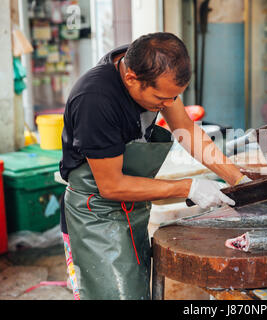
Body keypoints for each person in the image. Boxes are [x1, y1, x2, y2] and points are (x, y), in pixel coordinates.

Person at [59, 32, 250, 300]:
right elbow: (111, 185)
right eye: (162, 99)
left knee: (136, 290)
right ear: (131, 78)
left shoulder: (150, 67)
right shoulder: (95, 100)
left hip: (133, 207)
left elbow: (184, 128)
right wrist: (189, 187)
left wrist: (239, 181)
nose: (168, 105)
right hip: (94, 214)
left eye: (175, 97)